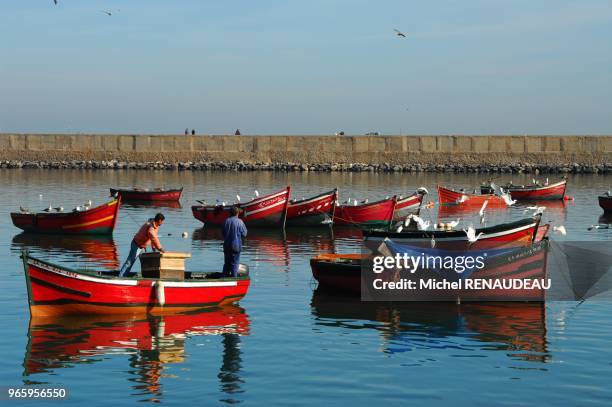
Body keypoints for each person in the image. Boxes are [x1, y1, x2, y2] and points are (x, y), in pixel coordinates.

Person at [119, 213, 166, 277]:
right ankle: (121, 277)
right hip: (136, 245)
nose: (163, 223)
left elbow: (153, 237)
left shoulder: (155, 225)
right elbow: (154, 238)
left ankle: (145, 276)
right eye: (162, 221)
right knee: (129, 262)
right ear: (159, 220)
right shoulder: (151, 228)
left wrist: (154, 247)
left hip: (142, 247)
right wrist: (161, 249)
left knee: (145, 262)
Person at [222, 206, 247, 277]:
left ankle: (223, 278)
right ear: (237, 213)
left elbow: (223, 233)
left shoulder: (226, 221)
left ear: (230, 213)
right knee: (235, 264)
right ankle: (234, 279)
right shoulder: (240, 222)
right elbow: (244, 234)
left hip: (226, 245)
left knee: (226, 264)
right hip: (236, 246)